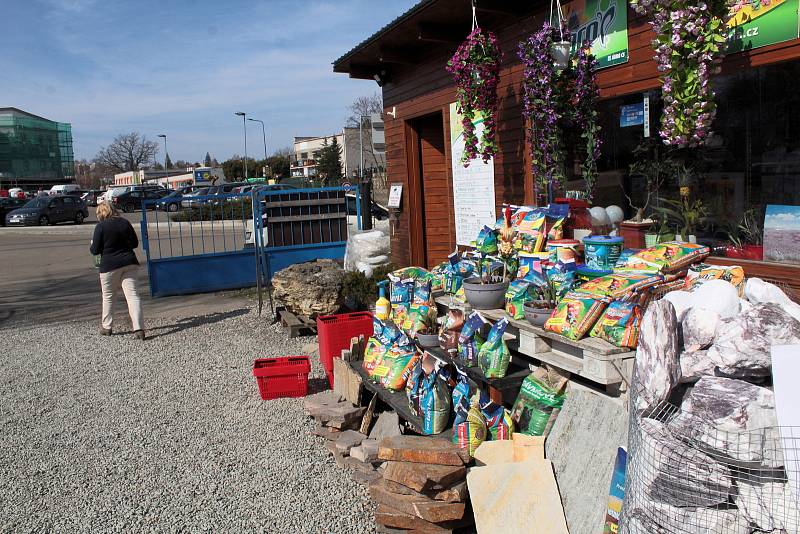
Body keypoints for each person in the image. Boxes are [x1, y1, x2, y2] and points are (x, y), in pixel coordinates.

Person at [90, 202, 145, 339]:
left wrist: (94, 244)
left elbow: (95, 250)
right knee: (133, 296)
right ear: (113, 210)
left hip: (109, 266)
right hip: (129, 262)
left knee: (108, 296)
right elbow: (134, 243)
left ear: (100, 213)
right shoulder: (125, 223)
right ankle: (138, 329)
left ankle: (107, 327)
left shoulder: (100, 227)